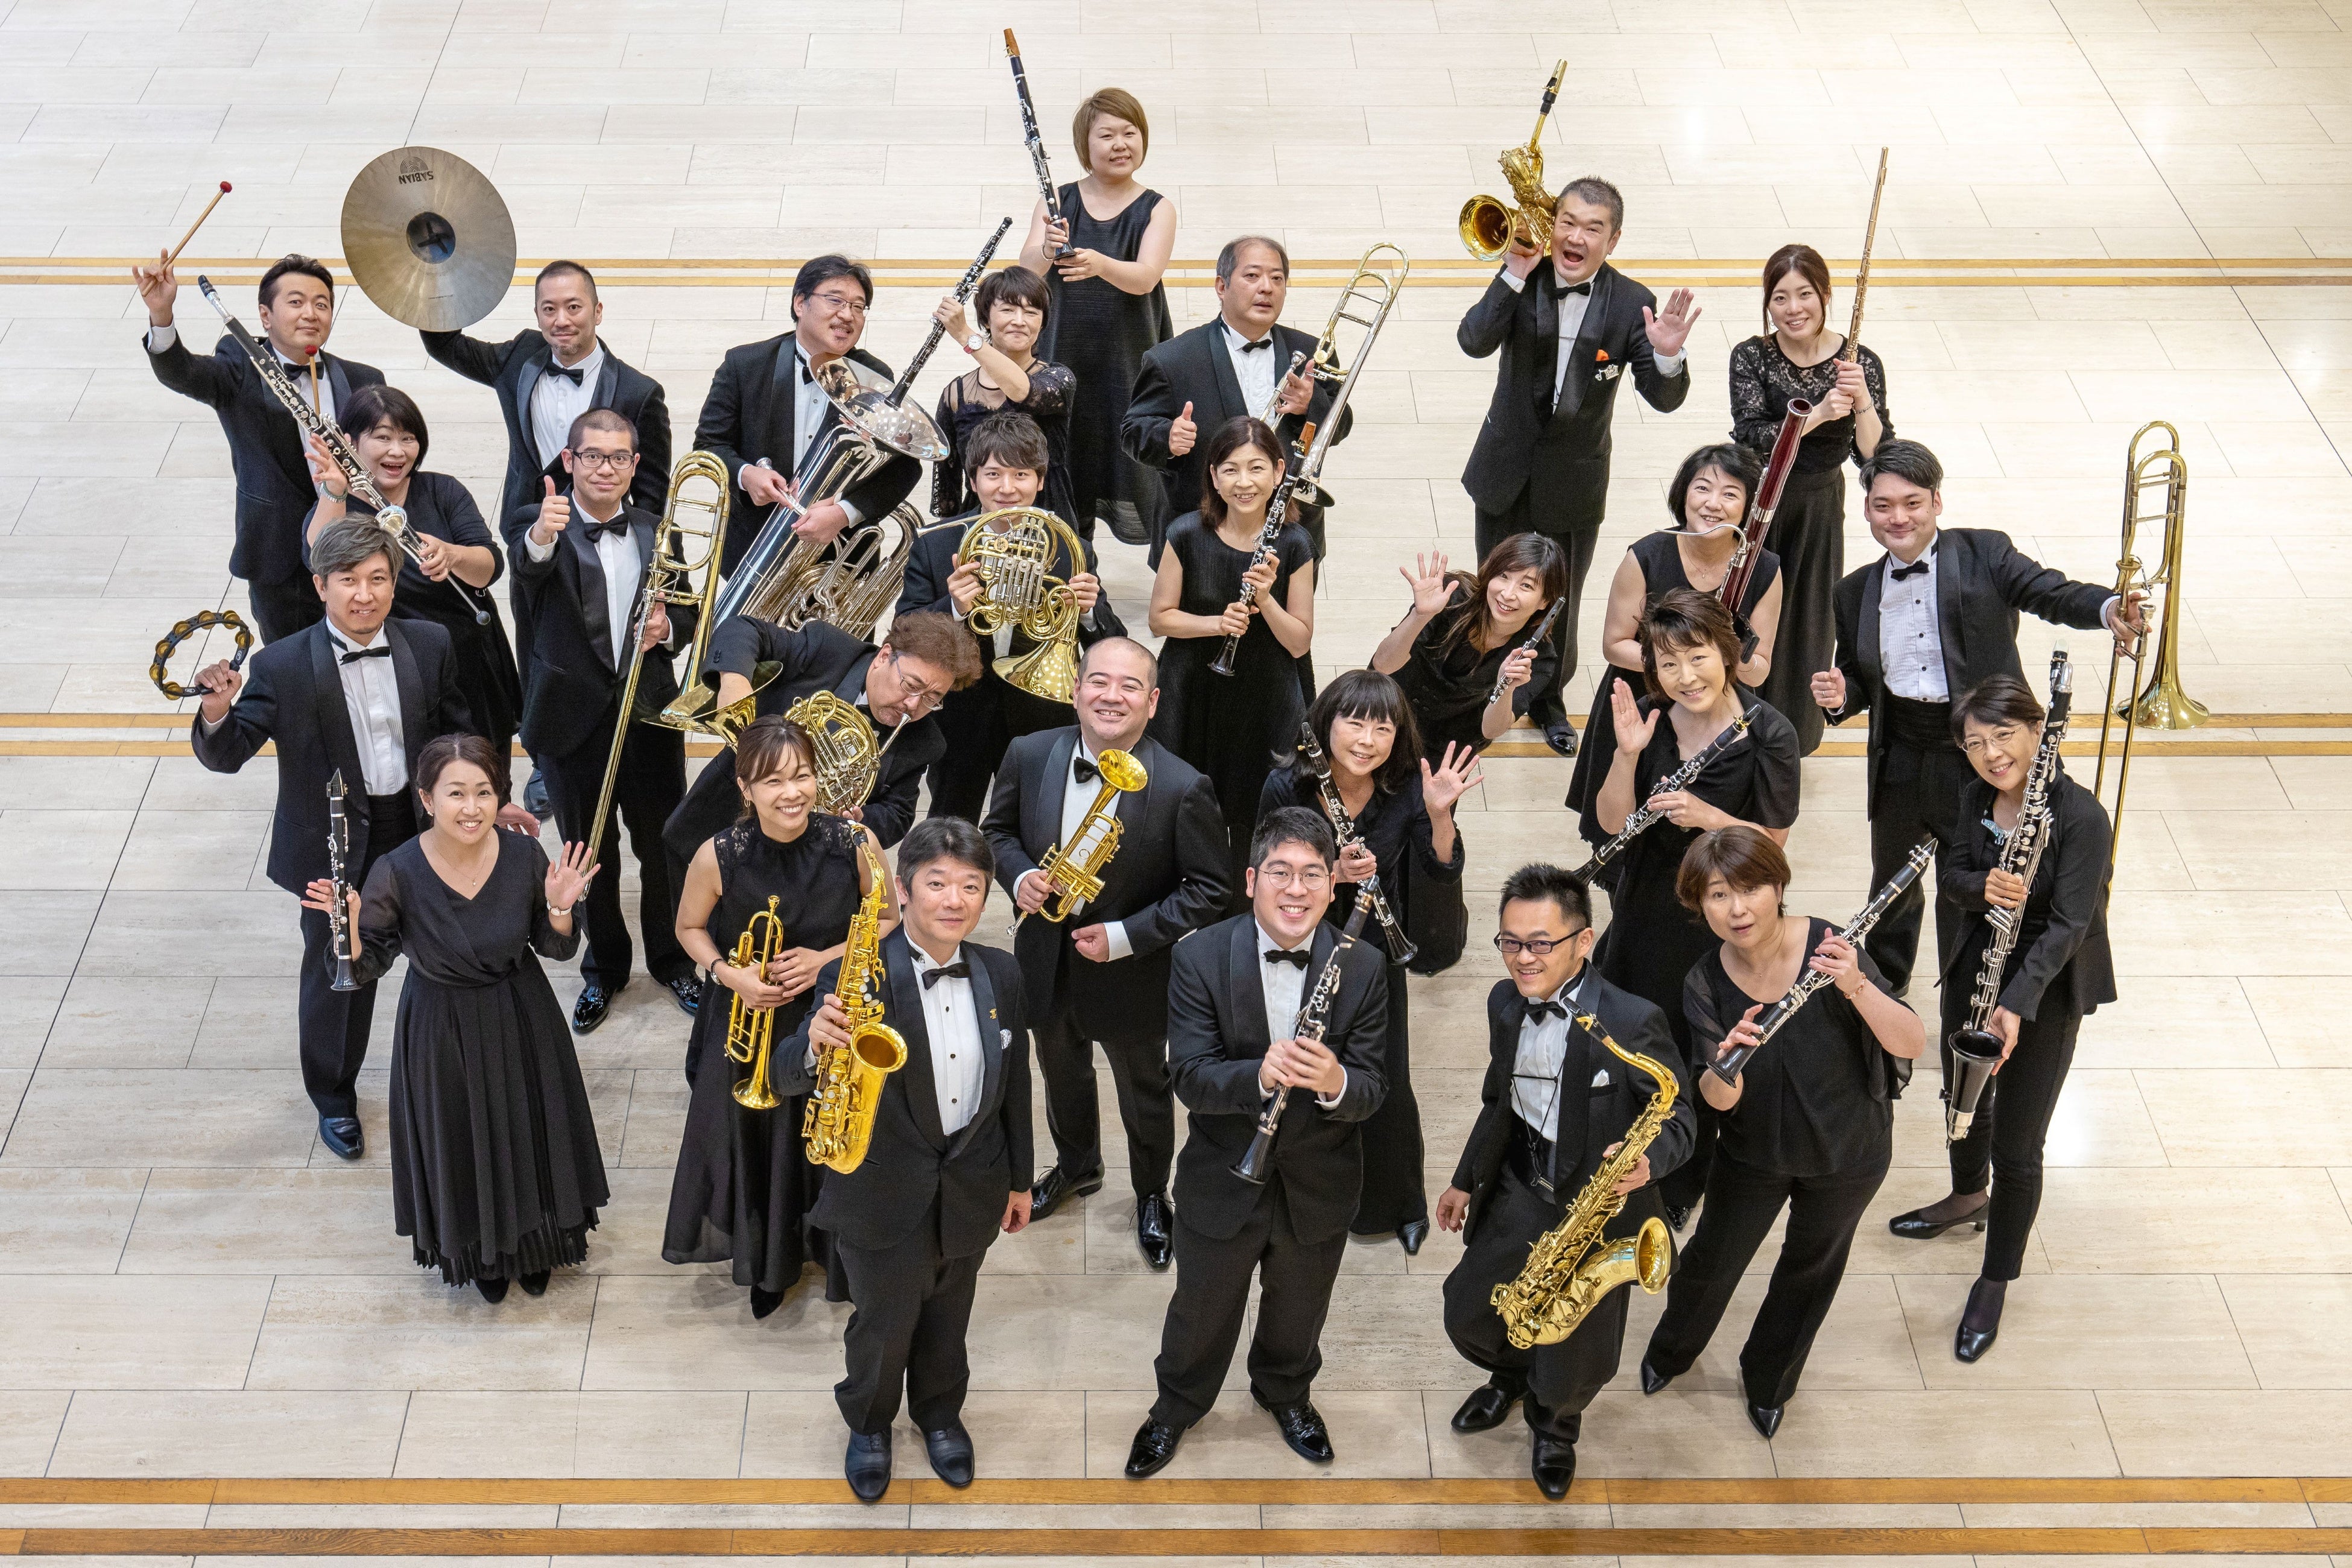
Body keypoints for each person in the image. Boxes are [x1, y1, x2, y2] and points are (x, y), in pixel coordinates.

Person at [1810, 439, 2143, 999]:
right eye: (1884, 505)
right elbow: (1861, 678)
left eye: (1912, 503)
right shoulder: (1854, 591)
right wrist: (1842, 695)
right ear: (1866, 509)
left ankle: (1973, 998)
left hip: (1984, 751)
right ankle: (1882, 997)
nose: (1898, 518)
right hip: (1902, 755)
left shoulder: (1985, 553)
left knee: (1978, 879)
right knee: (1891, 886)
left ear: (1937, 502)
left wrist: (2108, 609)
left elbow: (2050, 593)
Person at [188, 518, 475, 1160]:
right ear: (321, 585)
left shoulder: (431, 643)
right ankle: (334, 1095)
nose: (364, 594)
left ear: (395, 583)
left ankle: (459, 1077)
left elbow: (457, 735)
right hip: (333, 843)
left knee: (453, 952)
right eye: (348, 580)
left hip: (419, 828)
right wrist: (216, 710)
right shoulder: (283, 664)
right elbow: (228, 754)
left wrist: (486, 800)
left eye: (378, 579)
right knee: (339, 975)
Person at [774, 817, 1032, 1502]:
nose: (955, 900)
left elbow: (1015, 1083)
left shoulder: (1002, 971)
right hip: (879, 1192)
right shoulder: (853, 972)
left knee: (951, 1316)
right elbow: (783, 1073)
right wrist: (813, 1044)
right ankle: (869, 1424)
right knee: (883, 1326)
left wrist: (1020, 1181)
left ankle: (940, 1414)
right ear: (904, 890)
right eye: (938, 883)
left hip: (972, 1186)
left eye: (971, 886)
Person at [1125, 808, 1387, 1480]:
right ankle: (1176, 1406)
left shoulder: (1364, 966)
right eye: (1280, 872)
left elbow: (1375, 1088)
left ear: (1333, 884)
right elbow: (1189, 1077)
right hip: (1222, 1175)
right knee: (1201, 1307)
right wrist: (1259, 1075)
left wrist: (1334, 1082)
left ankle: (1286, 1392)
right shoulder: (1199, 956)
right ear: (1251, 881)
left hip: (1320, 1182)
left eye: (1312, 874)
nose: (1296, 889)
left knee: (1301, 1308)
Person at [1638, 827, 1921, 1438]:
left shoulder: (1831, 948)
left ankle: (1769, 1381)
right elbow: (1716, 1099)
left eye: (1750, 888)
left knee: (1811, 1270)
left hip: (1849, 1149)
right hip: (1755, 1153)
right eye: (1718, 895)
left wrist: (1855, 984)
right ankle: (1671, 1351)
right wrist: (1726, 1063)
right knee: (1712, 1260)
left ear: (1778, 886)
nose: (1738, 909)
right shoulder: (1704, 981)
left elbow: (1911, 1042)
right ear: (1700, 905)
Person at [304, 734, 606, 1301]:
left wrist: (561, 907)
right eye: (456, 793)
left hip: (521, 1015)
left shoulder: (524, 856)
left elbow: (556, 948)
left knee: (528, 1128)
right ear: (426, 799)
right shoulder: (396, 871)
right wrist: (347, 928)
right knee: (461, 1138)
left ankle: (534, 1244)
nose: (472, 807)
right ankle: (484, 1252)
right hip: (440, 1027)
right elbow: (365, 967)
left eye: (484, 792)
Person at [1435, 864, 1693, 1500]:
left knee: (1578, 1351)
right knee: (1470, 1309)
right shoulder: (1503, 1003)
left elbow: (1680, 1115)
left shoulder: (1632, 1019)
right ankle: (1511, 1376)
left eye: (1541, 942)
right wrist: (1466, 1178)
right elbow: (1498, 1099)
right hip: (1523, 1183)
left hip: (1601, 1205)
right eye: (1511, 941)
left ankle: (1556, 1426)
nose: (1524, 958)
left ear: (1584, 941)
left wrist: (1649, 1160)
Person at [982, 637, 1230, 1268]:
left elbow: (1209, 889)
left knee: (1144, 1089)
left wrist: (1125, 937)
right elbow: (998, 832)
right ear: (1076, 690)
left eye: (1129, 686)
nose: (1111, 696)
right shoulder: (1028, 753)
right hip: (1044, 958)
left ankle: (1151, 1192)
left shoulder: (1183, 784)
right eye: (1098, 681)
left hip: (1133, 972)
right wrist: (1019, 877)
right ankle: (1078, 1165)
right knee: (1060, 1070)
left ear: (1153, 701)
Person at [1891, 676, 2116, 1362]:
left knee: (2018, 1145)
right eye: (1975, 743)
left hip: (2044, 990)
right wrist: (1981, 885)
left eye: (2003, 735)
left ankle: (1995, 1279)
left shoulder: (2082, 818)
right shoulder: (1974, 798)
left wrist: (2014, 1004)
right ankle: (1967, 1196)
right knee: (1962, 1099)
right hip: (1975, 969)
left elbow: (2070, 925)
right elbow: (1952, 875)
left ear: (2038, 730)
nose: (1991, 754)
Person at [1456, 177, 1701, 756]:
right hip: (1504, 469)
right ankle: (1479, 686)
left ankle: (1547, 698)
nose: (1576, 237)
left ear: (1612, 240)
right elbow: (1473, 340)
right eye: (1567, 222)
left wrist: (1667, 355)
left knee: (1560, 601)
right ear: (1552, 224)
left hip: (1574, 481)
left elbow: (1663, 399)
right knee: (1495, 586)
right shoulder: (1524, 276)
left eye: (1593, 228)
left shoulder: (1632, 302)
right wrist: (1512, 273)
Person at [663, 716, 894, 1317]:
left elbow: (889, 919)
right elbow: (688, 928)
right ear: (745, 788)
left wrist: (823, 959)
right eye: (773, 781)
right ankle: (771, 1262)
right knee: (760, 1140)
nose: (792, 793)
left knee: (831, 1129)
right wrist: (729, 974)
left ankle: (834, 1249)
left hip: (830, 1009)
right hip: (750, 1014)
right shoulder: (719, 855)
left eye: (802, 776)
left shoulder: (855, 842)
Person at [1594, 588, 1801, 1227]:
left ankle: (1682, 1179)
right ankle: (1616, 1161)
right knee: (1627, 1035)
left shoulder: (1769, 732)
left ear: (1727, 652)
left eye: (1698, 656)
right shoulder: (1649, 716)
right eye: (1668, 663)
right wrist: (1627, 754)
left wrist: (1710, 818)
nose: (1685, 676)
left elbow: (1773, 845)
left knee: (1697, 1049)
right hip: (1644, 903)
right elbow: (1610, 823)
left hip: (1722, 917)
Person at [1256, 672, 1476, 1253]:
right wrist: (1330, 873)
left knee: (1386, 1077)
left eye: (1383, 728)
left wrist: (1440, 816)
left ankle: (1399, 1203)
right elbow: (1265, 870)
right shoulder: (1287, 785)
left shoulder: (1406, 788)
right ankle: (1304, 1194)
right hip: (1300, 941)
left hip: (1376, 948)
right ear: (1325, 723)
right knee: (1303, 1070)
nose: (1367, 740)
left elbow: (1439, 866)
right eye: (1354, 723)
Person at [511, 408, 700, 1035]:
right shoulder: (541, 522)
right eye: (592, 455)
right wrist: (541, 533)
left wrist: (666, 629)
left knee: (662, 847)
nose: (605, 468)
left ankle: (673, 961)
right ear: (570, 461)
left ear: (634, 465)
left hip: (649, 717)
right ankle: (605, 968)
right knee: (588, 853)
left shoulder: (654, 527)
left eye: (619, 457)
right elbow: (528, 569)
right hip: (571, 723)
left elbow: (689, 613)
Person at [662, 611, 976, 925]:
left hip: (807, 862)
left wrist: (859, 820)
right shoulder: (828, 649)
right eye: (911, 685)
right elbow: (741, 627)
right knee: (683, 908)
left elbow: (899, 814)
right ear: (884, 656)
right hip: (726, 808)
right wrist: (734, 679)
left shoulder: (926, 741)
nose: (913, 705)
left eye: (932, 698)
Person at [133, 251, 385, 642]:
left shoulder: (365, 379)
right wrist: (161, 315)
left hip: (354, 557)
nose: (311, 313)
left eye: (322, 304)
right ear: (266, 316)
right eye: (296, 302)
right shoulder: (241, 363)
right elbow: (183, 372)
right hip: (278, 561)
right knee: (290, 669)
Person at [1564, 443, 1783, 846]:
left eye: (1730, 494)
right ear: (1683, 493)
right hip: (1641, 703)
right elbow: (1615, 645)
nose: (1713, 504)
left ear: (1750, 508)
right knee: (1618, 833)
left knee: (1705, 840)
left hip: (1715, 715)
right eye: (1702, 488)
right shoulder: (1647, 555)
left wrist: (1730, 656)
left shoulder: (1765, 568)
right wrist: (1677, 668)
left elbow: (1760, 668)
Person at [899, 411, 1107, 823]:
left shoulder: (1072, 548)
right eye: (993, 475)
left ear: (1041, 481)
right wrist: (953, 608)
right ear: (973, 481)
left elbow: (1108, 642)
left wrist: (1087, 613)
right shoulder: (936, 545)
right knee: (950, 823)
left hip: (1041, 711)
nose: (1008, 489)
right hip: (960, 713)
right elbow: (903, 631)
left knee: (1039, 823)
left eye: (1021, 475)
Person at [302, 385, 522, 760]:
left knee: (483, 767)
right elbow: (318, 557)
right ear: (350, 443)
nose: (398, 451)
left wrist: (452, 555)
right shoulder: (336, 506)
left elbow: (489, 567)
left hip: (467, 658)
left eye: (408, 438)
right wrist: (335, 492)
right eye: (383, 437)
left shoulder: (442, 490)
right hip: (395, 664)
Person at [1731, 244, 1891, 757]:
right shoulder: (1751, 356)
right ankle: (1733, 723)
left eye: (1805, 295)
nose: (1793, 308)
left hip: (1819, 505)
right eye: (1780, 297)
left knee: (1808, 618)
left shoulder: (1860, 362)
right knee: (1746, 611)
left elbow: (1875, 455)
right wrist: (1818, 413)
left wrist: (1861, 400)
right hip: (1760, 499)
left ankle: (1790, 736)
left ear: (1825, 296)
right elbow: (1752, 436)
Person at [1146, 417, 1317, 896]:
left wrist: (1266, 601)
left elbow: (1300, 641)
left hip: (1264, 694)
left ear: (1279, 472)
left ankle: (1245, 909)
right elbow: (1160, 619)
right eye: (1231, 469)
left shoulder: (1295, 543)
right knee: (1186, 804)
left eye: (1257, 468)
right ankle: (1187, 898)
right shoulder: (1185, 533)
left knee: (1256, 812)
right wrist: (1216, 625)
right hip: (1192, 687)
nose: (1245, 482)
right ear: (1214, 477)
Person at [1122, 236, 1354, 561]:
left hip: (1291, 535)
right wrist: (1167, 437)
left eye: (1277, 278)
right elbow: (1133, 432)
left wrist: (1311, 405)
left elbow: (1340, 428)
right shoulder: (1172, 358)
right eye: (1252, 276)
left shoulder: (1315, 353)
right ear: (1222, 286)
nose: (1267, 288)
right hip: (1197, 532)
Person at [693, 254, 923, 577]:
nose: (848, 315)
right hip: (753, 549)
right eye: (835, 300)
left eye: (858, 307)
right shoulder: (745, 364)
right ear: (800, 303)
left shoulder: (874, 375)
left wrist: (844, 514)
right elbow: (709, 446)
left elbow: (903, 467)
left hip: (842, 562)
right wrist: (746, 475)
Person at [1020, 86, 1175, 546]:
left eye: (1130, 133)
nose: (1120, 144)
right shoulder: (1057, 201)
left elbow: (1146, 277)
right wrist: (1047, 248)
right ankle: (1073, 565)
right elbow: (1027, 271)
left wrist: (1101, 264)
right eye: (1107, 135)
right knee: (1065, 459)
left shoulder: (1158, 208)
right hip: (1061, 352)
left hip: (1128, 358)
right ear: (1084, 146)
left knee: (1132, 463)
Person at [420, 259, 671, 536]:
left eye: (573, 307)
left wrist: (638, 546)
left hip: (598, 538)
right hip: (525, 529)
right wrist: (437, 266)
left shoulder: (639, 392)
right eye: (549, 309)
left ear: (597, 312)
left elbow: (652, 495)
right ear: (537, 315)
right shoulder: (519, 357)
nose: (561, 321)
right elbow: (445, 345)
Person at [1370, 534, 1568, 764]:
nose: (1508, 594)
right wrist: (1419, 616)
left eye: (1526, 586)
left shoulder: (1538, 657)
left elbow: (1491, 730)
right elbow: (1383, 665)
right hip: (1387, 708)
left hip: (1450, 741)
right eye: (1503, 576)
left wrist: (1506, 688)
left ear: (1545, 601)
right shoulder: (1452, 595)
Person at [931, 265, 1079, 528]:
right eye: (1008, 310)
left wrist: (965, 335)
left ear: (1042, 323)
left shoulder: (1058, 378)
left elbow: (1023, 392)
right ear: (986, 319)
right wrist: (947, 536)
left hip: (1047, 518)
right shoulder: (956, 393)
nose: (1020, 321)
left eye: (1031, 312)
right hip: (979, 521)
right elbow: (947, 480)